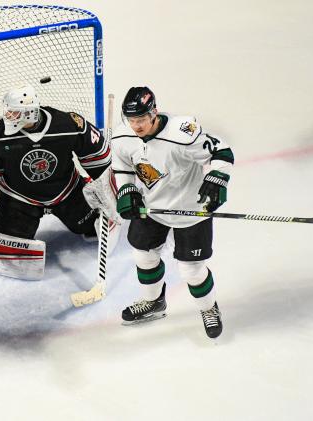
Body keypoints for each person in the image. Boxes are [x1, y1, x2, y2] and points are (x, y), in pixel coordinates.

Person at [83, 87, 234, 338]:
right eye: (131, 120)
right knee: (143, 256)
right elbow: (122, 166)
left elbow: (222, 151)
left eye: (141, 119)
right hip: (151, 207)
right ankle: (153, 303)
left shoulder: (182, 133)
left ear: (153, 113)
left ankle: (208, 308)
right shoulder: (122, 137)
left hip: (190, 210)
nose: (136, 126)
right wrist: (127, 190)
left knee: (191, 270)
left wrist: (218, 178)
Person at [0, 84, 112, 240]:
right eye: (9, 111)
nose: (9, 116)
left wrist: (106, 185)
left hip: (67, 191)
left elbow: (98, 157)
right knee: (10, 242)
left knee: (90, 225)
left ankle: (87, 210)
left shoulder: (68, 124)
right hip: (18, 197)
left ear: (30, 112)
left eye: (15, 112)